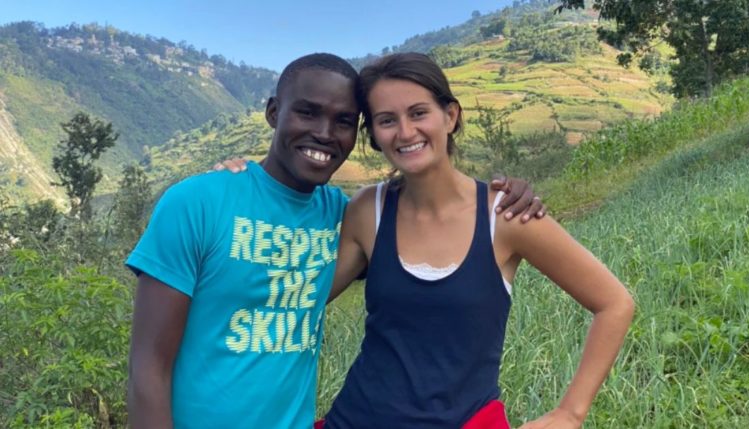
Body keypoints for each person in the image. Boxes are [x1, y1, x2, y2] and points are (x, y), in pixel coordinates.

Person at [126, 52, 543, 429]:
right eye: (307, 113)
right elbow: (149, 366)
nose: (325, 133)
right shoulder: (196, 202)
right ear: (274, 112)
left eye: (344, 121)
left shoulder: (342, 215)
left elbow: (423, 236)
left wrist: (505, 195)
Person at [316, 53, 635, 429]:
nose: (405, 132)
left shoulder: (506, 216)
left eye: (419, 113)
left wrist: (570, 413)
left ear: (450, 116)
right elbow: (298, 300)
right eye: (387, 120)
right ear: (374, 135)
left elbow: (614, 304)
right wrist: (242, 185)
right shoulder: (369, 210)